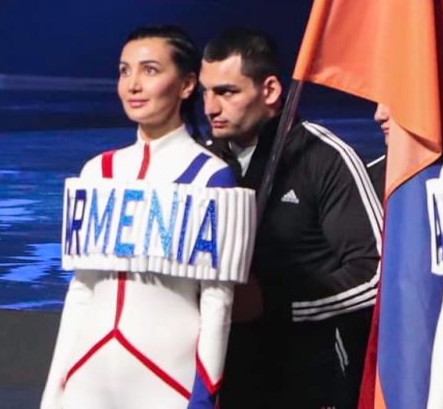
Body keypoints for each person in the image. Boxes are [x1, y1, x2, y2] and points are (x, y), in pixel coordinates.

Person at [42, 26, 246, 409]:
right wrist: (53, 394)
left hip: (166, 381)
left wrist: (203, 399)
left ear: (187, 85)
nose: (133, 84)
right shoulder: (97, 171)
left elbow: (217, 302)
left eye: (150, 70)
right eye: (124, 71)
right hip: (87, 377)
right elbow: (81, 290)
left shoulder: (211, 177)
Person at [198, 26, 383, 409]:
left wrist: (276, 305)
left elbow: (374, 273)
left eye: (226, 92)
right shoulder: (201, 163)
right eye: (206, 91)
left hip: (307, 383)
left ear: (269, 90)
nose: (210, 108)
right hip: (220, 381)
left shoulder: (324, 156)